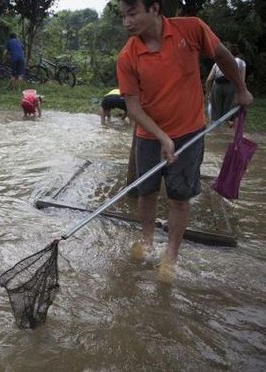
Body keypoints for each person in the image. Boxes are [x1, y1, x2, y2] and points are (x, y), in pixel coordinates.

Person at [117, 0, 253, 281]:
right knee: (147, 192)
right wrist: (162, 137)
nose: (126, 22)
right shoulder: (128, 56)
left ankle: (170, 256)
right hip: (149, 136)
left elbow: (223, 57)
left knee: (179, 196)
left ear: (154, 9)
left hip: (190, 131)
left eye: (132, 14)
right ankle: (147, 241)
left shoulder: (190, 30)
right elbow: (133, 108)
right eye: (123, 16)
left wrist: (241, 90)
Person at [205, 44, 246, 124]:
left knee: (215, 110)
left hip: (217, 86)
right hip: (231, 86)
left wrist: (209, 93)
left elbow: (209, 79)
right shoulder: (241, 62)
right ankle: (226, 128)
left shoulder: (219, 62)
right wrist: (241, 93)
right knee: (228, 111)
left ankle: (215, 128)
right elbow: (242, 80)